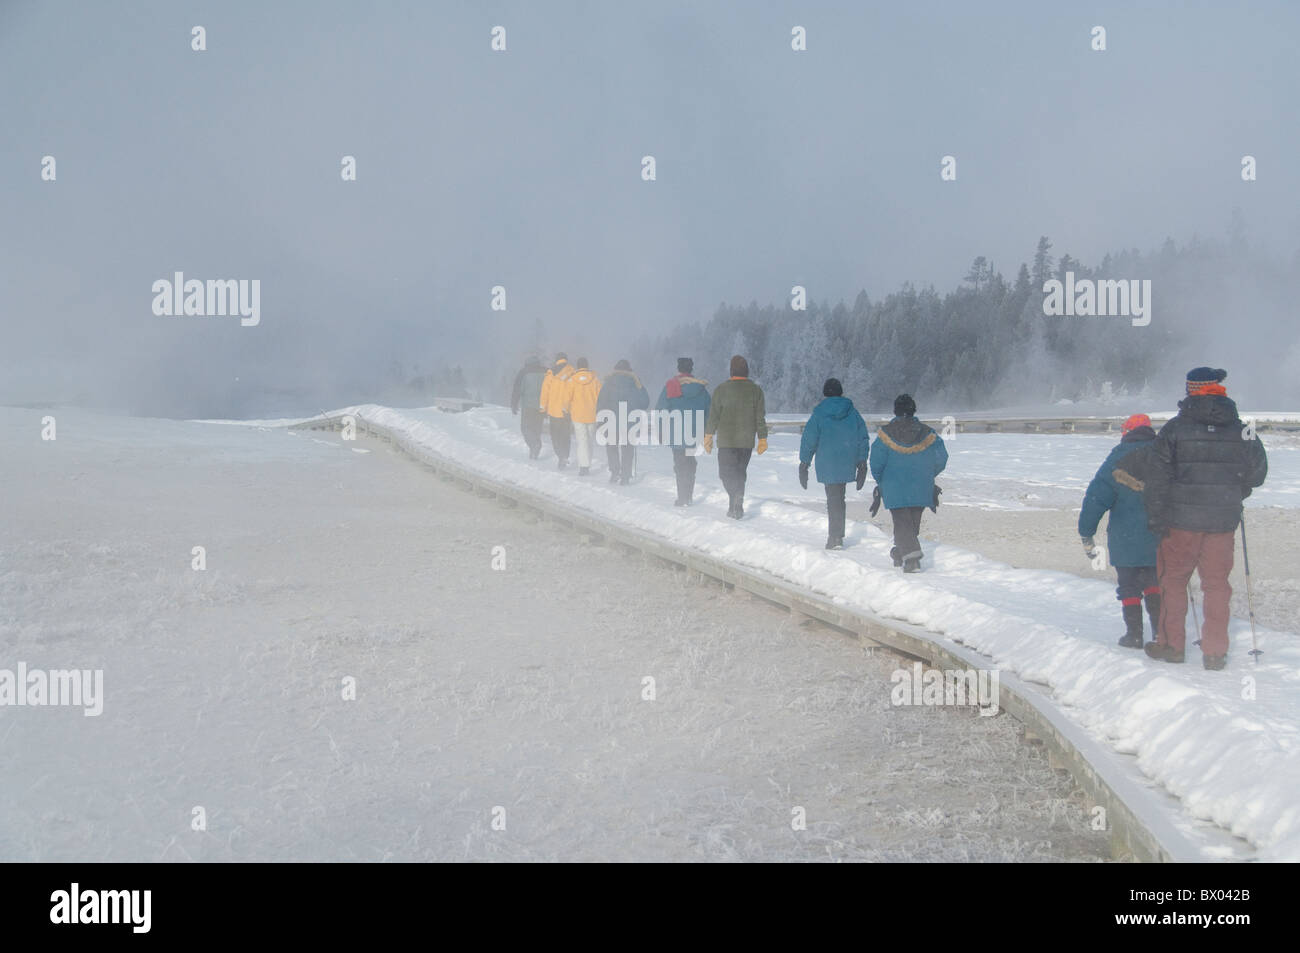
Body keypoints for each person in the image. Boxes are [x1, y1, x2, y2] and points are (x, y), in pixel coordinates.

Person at [1121, 368, 1268, 670]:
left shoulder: (1174, 430)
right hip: (1222, 521)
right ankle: (1215, 652)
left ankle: (1171, 645)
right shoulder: (1241, 429)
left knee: (1172, 582)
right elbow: (1257, 474)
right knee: (1216, 585)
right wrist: (1234, 491)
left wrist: (1157, 517)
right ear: (1218, 390)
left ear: (1191, 390)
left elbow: (1157, 477)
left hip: (1180, 521)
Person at [1078, 413, 1161, 648]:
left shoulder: (1116, 460)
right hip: (1159, 533)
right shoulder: (1164, 456)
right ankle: (1159, 634)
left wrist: (1086, 532)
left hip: (1125, 537)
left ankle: (1134, 635)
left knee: (1129, 585)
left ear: (1126, 433)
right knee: (1155, 582)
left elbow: (1095, 499)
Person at [868, 394, 948, 572]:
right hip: (921, 485)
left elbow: (876, 462)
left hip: (894, 486)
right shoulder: (929, 433)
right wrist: (927, 473)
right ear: (913, 410)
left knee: (903, 522)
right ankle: (900, 552)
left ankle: (912, 559)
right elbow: (942, 458)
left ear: (895, 411)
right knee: (911, 523)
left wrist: (881, 481)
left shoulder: (885, 435)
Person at [798, 378, 870, 550]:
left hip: (827, 461)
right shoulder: (853, 413)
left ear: (825, 393)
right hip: (847, 460)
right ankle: (837, 534)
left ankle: (835, 536)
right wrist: (862, 462)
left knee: (833, 498)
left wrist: (804, 463)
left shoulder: (819, 413)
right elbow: (863, 438)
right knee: (839, 497)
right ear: (841, 391)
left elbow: (809, 439)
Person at [702, 355, 767, 519]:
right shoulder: (756, 391)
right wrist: (762, 438)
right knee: (739, 472)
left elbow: (714, 415)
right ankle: (736, 505)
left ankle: (735, 499)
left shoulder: (721, 389)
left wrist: (708, 435)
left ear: (731, 371)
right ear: (747, 371)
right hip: (746, 441)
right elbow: (760, 417)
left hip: (727, 441)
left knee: (725, 474)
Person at [655, 357, 711, 506]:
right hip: (694, 432)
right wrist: (706, 431)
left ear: (679, 369)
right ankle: (689, 496)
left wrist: (661, 430)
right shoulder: (701, 389)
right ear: (691, 370)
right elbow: (709, 411)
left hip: (676, 433)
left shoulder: (671, 386)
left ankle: (682, 498)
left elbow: (661, 410)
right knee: (690, 463)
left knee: (680, 464)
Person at [596, 359, 649, 484]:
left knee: (611, 446)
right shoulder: (636, 382)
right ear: (629, 370)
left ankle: (615, 472)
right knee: (627, 448)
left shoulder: (608, 382)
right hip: (629, 422)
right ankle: (625, 476)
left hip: (611, 420)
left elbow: (601, 402)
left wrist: (600, 420)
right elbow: (645, 403)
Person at [565, 358, 602, 476]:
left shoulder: (572, 380)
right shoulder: (595, 380)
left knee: (582, 441)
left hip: (577, 415)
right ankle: (587, 464)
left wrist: (565, 409)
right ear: (587, 366)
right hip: (592, 415)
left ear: (578, 366)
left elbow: (567, 398)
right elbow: (600, 397)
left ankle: (583, 467)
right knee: (590, 441)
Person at [539, 353, 575, 469]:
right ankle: (565, 455)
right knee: (565, 435)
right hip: (567, 411)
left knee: (555, 435)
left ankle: (560, 456)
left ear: (557, 361)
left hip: (553, 411)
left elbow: (545, 392)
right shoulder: (572, 373)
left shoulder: (551, 373)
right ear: (566, 360)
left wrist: (543, 407)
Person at [510, 355, 547, 459]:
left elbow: (517, 389)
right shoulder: (546, 372)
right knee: (536, 429)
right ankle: (534, 451)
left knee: (525, 428)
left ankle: (534, 445)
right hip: (542, 407)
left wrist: (514, 404)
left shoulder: (524, 372)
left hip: (528, 406)